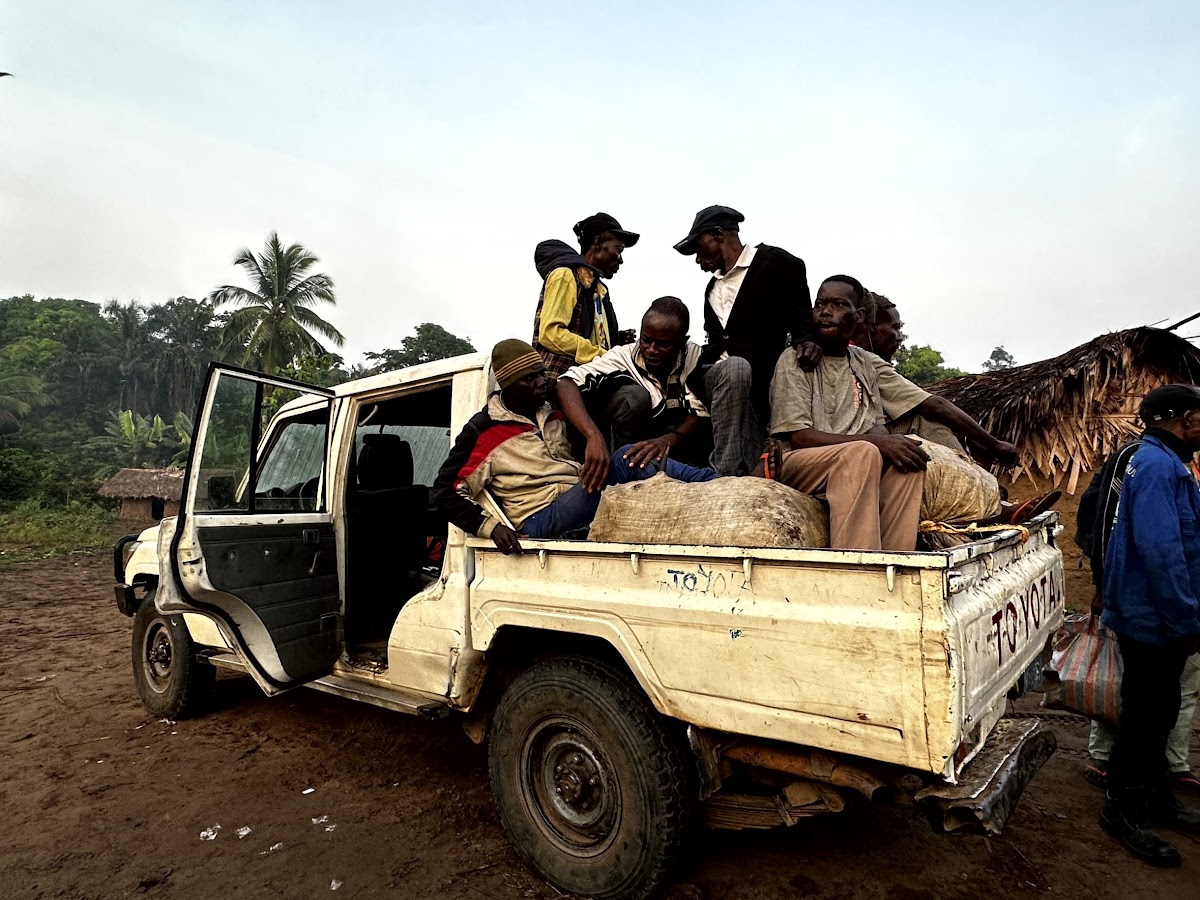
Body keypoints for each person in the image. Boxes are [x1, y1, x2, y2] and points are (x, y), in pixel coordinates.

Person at [767, 275, 1016, 551]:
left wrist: (885, 441)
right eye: (820, 304)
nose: (825, 312)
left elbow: (877, 426)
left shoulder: (864, 363)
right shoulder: (796, 359)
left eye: (838, 304)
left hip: (855, 459)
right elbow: (799, 438)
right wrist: (875, 442)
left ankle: (896, 562)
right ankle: (860, 567)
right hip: (800, 463)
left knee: (909, 459)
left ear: (859, 315)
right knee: (863, 453)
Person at [432, 339, 717, 554]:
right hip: (538, 518)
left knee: (633, 459)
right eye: (530, 379)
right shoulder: (484, 430)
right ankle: (715, 485)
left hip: (575, 496)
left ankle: (713, 487)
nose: (542, 382)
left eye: (542, 374)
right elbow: (446, 492)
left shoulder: (549, 410)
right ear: (508, 386)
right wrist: (492, 529)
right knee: (625, 458)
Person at [1098, 384, 1200, 867]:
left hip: (1152, 611)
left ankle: (1156, 797)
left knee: (1161, 709)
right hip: (1154, 616)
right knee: (1144, 714)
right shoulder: (1160, 466)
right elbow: (1162, 550)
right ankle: (1123, 809)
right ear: (1182, 418)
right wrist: (1184, 618)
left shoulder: (1157, 459)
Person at [1077, 435, 1200, 797]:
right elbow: (1106, 523)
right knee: (1134, 694)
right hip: (1154, 608)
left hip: (1178, 604)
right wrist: (1103, 584)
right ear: (1181, 418)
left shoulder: (1178, 465)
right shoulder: (1146, 462)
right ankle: (1117, 781)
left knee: (1173, 697)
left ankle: (1166, 772)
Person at [673, 205, 818, 475]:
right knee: (735, 368)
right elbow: (717, 342)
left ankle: (740, 473)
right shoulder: (712, 289)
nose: (697, 259)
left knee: (754, 460)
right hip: (717, 377)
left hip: (756, 388)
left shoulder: (780, 264)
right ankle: (722, 474)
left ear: (718, 235)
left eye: (698, 247)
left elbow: (801, 320)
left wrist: (806, 341)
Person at [557, 297, 711, 473]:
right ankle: (620, 467)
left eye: (663, 344)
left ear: (682, 342)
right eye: (646, 340)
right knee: (635, 397)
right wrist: (593, 436)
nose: (652, 349)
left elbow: (700, 414)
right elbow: (565, 384)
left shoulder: (694, 355)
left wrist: (667, 440)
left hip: (678, 445)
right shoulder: (623, 356)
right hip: (635, 448)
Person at [532, 213, 639, 378]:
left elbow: (587, 333)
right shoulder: (565, 275)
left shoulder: (598, 289)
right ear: (597, 243)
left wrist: (615, 340)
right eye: (619, 250)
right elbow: (550, 333)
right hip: (561, 378)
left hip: (591, 376)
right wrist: (602, 355)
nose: (621, 259)